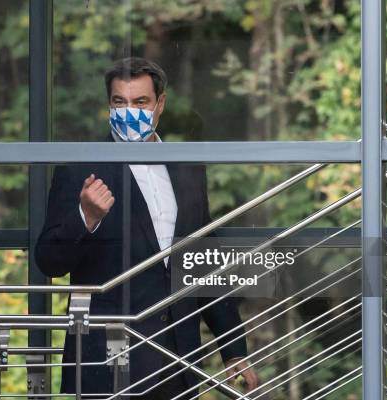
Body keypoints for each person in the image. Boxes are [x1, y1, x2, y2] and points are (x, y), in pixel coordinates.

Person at [35, 57, 258, 398]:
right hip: (107, 365)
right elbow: (49, 260)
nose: (129, 111)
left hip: (178, 361)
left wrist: (233, 348)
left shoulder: (188, 170)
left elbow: (203, 263)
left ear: (160, 104)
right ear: (108, 105)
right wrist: (86, 216)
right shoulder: (80, 169)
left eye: (140, 102)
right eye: (119, 102)